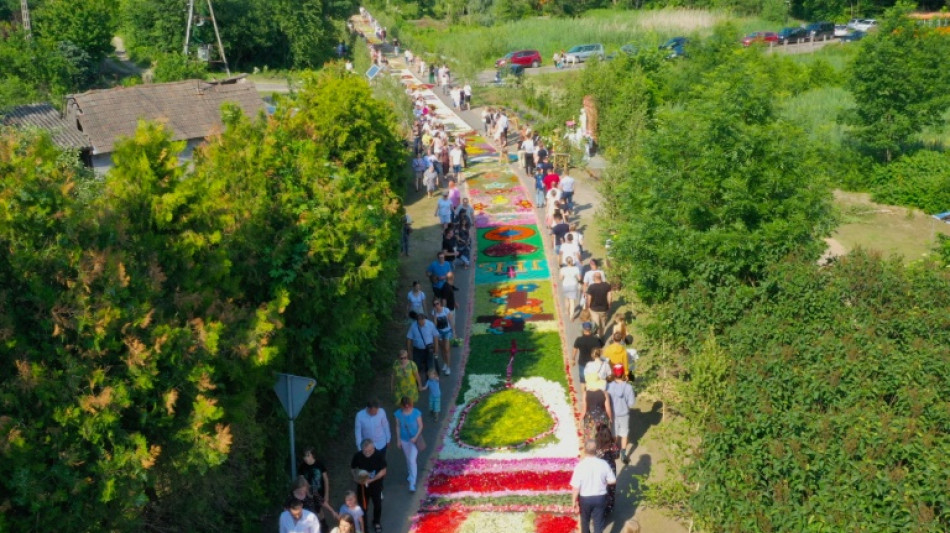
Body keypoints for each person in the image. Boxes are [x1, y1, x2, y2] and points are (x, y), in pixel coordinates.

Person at [571, 439, 617, 533]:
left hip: (585, 499)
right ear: (596, 450)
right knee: (598, 523)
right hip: (600, 497)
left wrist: (574, 502)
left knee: (585, 522)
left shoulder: (580, 466)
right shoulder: (603, 464)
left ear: (584, 450)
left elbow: (576, 487)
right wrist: (604, 482)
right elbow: (613, 480)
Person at [350, 439, 386, 533]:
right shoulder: (358, 456)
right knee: (363, 508)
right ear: (361, 449)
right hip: (362, 487)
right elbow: (353, 468)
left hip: (376, 485)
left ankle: (376, 522)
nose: (367, 453)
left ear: (373, 447)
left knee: (377, 505)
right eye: (365, 451)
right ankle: (364, 527)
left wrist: (372, 480)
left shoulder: (378, 455)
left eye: (370, 450)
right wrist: (356, 478)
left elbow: (383, 471)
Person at [393, 396, 424, 493]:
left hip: (414, 440)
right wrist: (398, 440)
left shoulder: (416, 413)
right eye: (405, 406)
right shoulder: (398, 414)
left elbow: (420, 426)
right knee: (408, 459)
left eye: (409, 406)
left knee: (411, 460)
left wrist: (415, 437)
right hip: (404, 440)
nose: (407, 408)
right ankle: (411, 474)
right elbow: (398, 426)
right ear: (402, 406)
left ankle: (412, 483)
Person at [605, 371, 636, 464]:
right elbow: (631, 403)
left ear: (614, 374)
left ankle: (613, 450)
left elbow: (607, 401)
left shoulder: (609, 386)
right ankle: (623, 454)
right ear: (623, 375)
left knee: (614, 432)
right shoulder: (628, 387)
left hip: (614, 413)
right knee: (624, 433)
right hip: (624, 414)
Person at [582, 355, 613, 440]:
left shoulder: (585, 393)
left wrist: (580, 419)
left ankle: (591, 451)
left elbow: (584, 409)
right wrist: (610, 418)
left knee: (590, 439)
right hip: (602, 418)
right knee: (602, 439)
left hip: (590, 419)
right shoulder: (604, 393)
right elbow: (608, 408)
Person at [406, 310, 440, 382]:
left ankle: (431, 382)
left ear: (425, 319)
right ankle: (417, 383)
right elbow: (409, 338)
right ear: (417, 320)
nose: (421, 322)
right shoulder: (413, 326)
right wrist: (409, 351)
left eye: (422, 320)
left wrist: (436, 349)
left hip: (428, 349)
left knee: (430, 366)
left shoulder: (430, 324)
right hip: (417, 350)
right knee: (416, 366)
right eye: (419, 321)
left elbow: (435, 336)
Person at [595, 423, 619, 516]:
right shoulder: (612, 445)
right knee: (611, 488)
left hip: (599, 470)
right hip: (611, 468)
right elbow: (617, 455)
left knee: (601, 487)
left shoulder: (597, 445)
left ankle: (600, 507)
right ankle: (609, 507)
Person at [573, 322, 604, 392]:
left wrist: (573, 359)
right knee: (593, 378)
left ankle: (584, 395)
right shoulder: (596, 340)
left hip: (582, 363)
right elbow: (600, 350)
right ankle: (592, 393)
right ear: (591, 329)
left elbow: (575, 349)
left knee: (582, 380)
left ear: (583, 329)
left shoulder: (579, 339)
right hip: (593, 363)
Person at [430, 299, 453, 374]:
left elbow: (450, 321)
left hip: (447, 331)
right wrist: (435, 314)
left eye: (437, 303)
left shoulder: (446, 310)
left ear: (440, 303)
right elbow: (435, 325)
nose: (436, 305)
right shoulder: (433, 312)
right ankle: (445, 363)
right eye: (435, 304)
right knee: (442, 349)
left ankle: (448, 367)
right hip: (439, 332)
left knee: (446, 349)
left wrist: (454, 331)